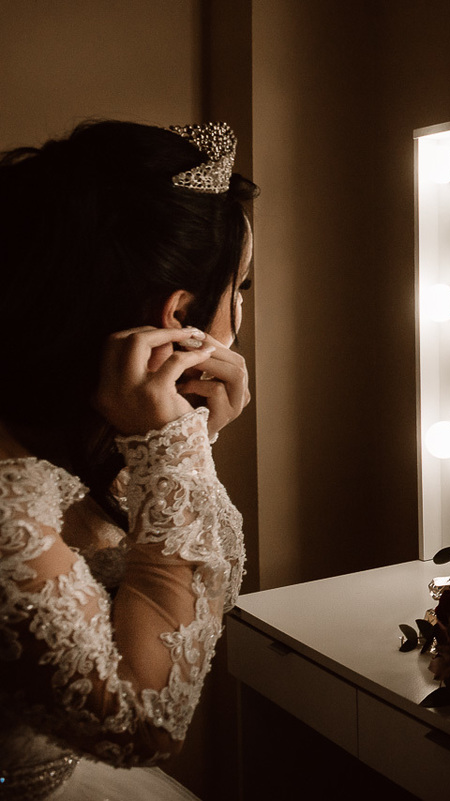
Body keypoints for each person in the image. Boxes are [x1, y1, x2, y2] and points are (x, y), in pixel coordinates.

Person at [0, 121, 256, 799]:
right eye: (243, 288)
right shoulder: (6, 506)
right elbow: (143, 721)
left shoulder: (50, 427)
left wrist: (174, 443)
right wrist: (177, 452)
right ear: (179, 317)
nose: (239, 315)